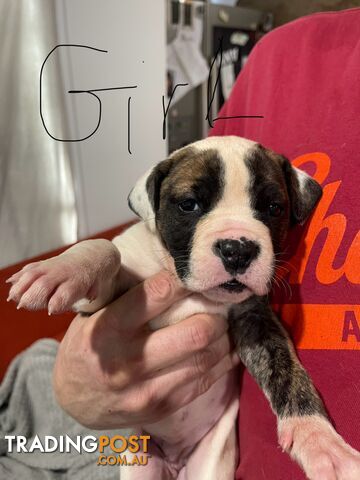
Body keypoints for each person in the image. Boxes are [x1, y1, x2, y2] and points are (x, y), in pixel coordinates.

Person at [54, 8, 360, 479]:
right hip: (132, 438)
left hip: (214, 435)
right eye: (193, 206)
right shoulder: (273, 57)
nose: (237, 241)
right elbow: (102, 281)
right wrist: (72, 388)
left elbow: (261, 336)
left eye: (270, 209)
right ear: (153, 202)